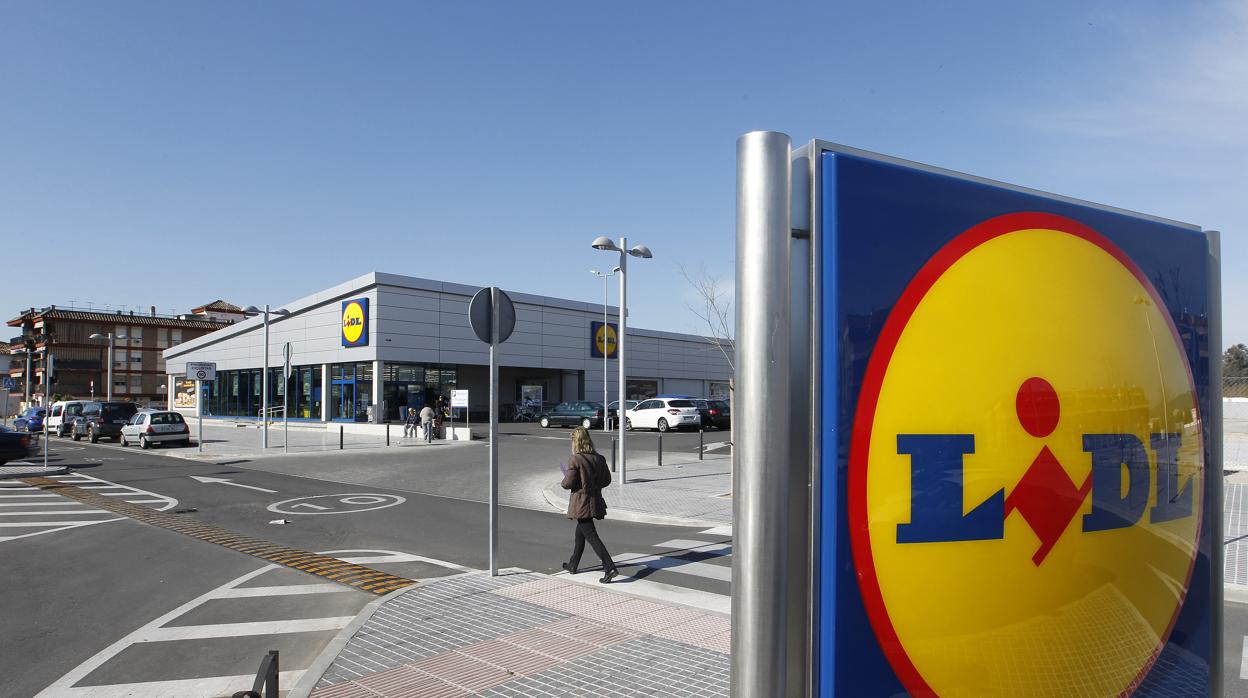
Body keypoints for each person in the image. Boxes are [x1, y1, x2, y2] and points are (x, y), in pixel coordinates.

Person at [560, 427, 619, 583]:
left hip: (581, 502)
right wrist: (593, 485)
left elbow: (567, 484)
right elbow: (607, 480)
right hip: (595, 500)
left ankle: (610, 567)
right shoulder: (599, 458)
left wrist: (566, 477)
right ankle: (573, 564)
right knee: (581, 533)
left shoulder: (575, 459)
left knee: (591, 535)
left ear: (576, 442)